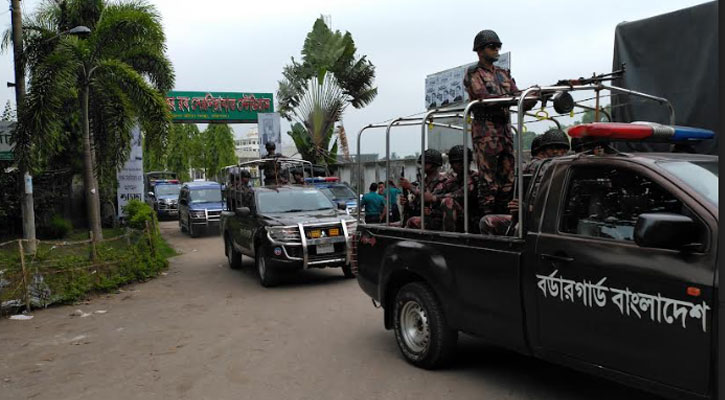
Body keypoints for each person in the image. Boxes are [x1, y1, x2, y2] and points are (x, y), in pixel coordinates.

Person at [464, 29, 535, 216]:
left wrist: (535, 95)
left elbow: (518, 96)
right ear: (480, 51)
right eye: (492, 46)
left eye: (498, 46)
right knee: (488, 181)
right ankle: (487, 220)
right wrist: (514, 98)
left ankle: (503, 218)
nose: (497, 50)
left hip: (504, 131)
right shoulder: (473, 73)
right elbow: (483, 96)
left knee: (508, 179)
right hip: (486, 132)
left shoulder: (503, 74)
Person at [480, 128, 571, 235]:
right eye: (553, 148)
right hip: (533, 216)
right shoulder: (540, 168)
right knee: (490, 222)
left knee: (518, 229)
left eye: (561, 149)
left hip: (551, 220)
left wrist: (528, 208)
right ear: (543, 151)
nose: (557, 152)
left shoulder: (565, 170)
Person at [399, 149, 446, 230]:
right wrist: (407, 202)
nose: (423, 165)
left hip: (438, 220)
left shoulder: (445, 182)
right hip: (423, 219)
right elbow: (416, 205)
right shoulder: (420, 183)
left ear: (435, 164)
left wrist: (410, 187)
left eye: (426, 163)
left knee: (412, 221)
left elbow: (431, 197)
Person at [437, 145, 481, 233]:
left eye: (455, 163)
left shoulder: (476, 178)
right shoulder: (450, 182)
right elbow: (435, 194)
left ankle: (450, 239)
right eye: (453, 163)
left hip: (473, 220)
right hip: (457, 220)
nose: (453, 166)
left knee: (447, 201)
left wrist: (435, 198)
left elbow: (464, 193)